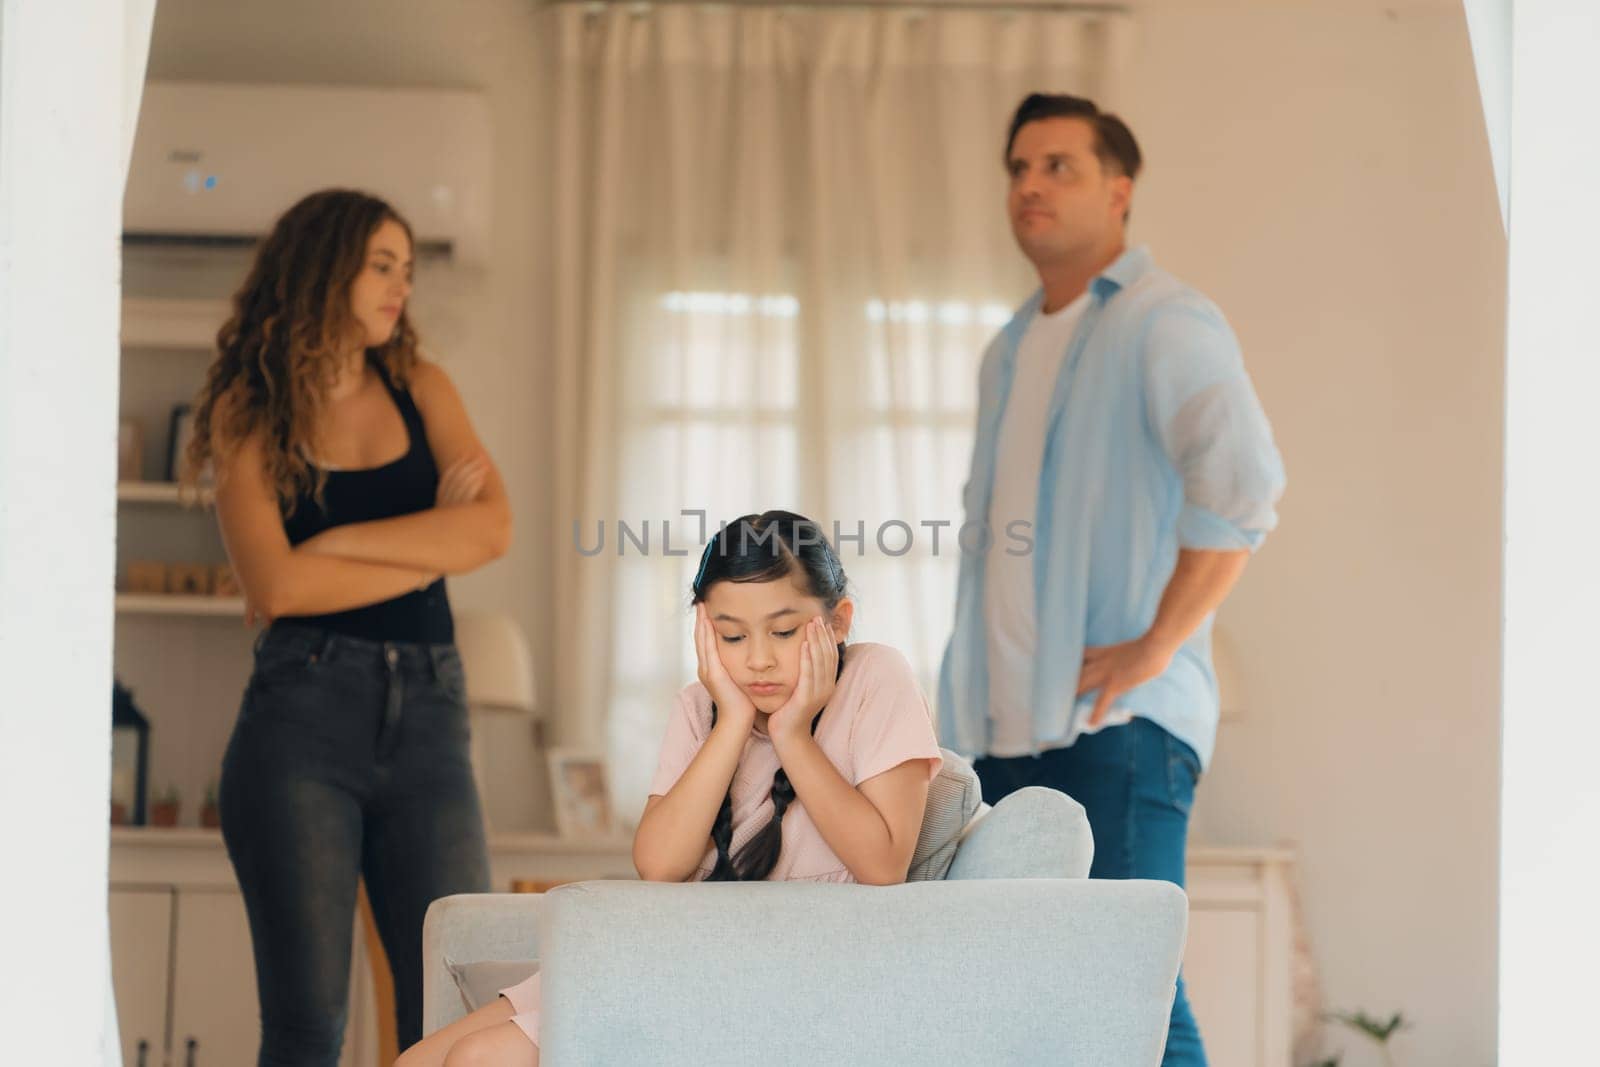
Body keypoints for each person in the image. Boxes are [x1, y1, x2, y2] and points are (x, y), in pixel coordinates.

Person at [937, 94, 1286, 1067]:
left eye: (1058, 166)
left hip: (1116, 727)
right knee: (1026, 1005)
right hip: (998, 737)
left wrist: (1156, 644)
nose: (1029, 185)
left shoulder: (1161, 319)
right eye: (1018, 167)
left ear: (1119, 191)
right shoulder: (1007, 349)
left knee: (1130, 993)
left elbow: (1245, 488)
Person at [398, 511, 941, 1066]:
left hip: (751, 976)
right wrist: (732, 720)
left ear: (839, 620)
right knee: (414, 1062)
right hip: (661, 952)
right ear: (704, 630)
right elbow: (659, 864)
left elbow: (883, 864)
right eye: (731, 635)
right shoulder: (702, 706)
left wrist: (791, 734)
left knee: (482, 1057)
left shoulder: (877, 677)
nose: (757, 659)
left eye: (783, 632)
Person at [186, 188, 513, 1065]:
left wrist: (338, 538)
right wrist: (429, 542)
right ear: (323, 266)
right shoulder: (249, 411)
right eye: (380, 264)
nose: (400, 285)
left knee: (455, 1006)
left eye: (406, 269)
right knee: (305, 1027)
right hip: (300, 716)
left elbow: (491, 528)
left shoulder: (422, 387)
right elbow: (278, 587)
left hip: (432, 716)